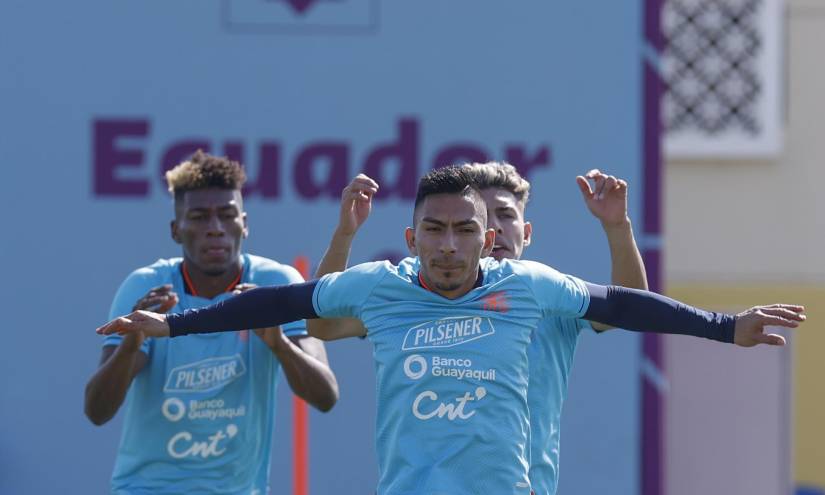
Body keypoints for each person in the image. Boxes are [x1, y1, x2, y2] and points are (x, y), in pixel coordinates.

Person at [97, 165, 805, 495]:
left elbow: (624, 305)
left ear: (487, 238)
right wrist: (173, 324)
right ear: (412, 236)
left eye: (466, 230)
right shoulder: (384, 287)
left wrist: (724, 324)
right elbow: (288, 306)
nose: (449, 244)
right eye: (433, 230)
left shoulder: (531, 287)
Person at [305, 164, 648, 494]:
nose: (494, 228)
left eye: (506, 215)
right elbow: (323, 324)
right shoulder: (415, 297)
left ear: (525, 232)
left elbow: (628, 312)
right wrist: (345, 234)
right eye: (479, 218)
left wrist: (618, 227)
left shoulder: (550, 299)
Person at [84, 151, 339, 494]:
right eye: (200, 217)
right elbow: (97, 411)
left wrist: (278, 343)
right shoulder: (145, 287)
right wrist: (132, 343)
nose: (215, 229)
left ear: (244, 224)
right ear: (177, 230)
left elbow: (326, 396)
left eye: (227, 215)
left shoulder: (276, 282)